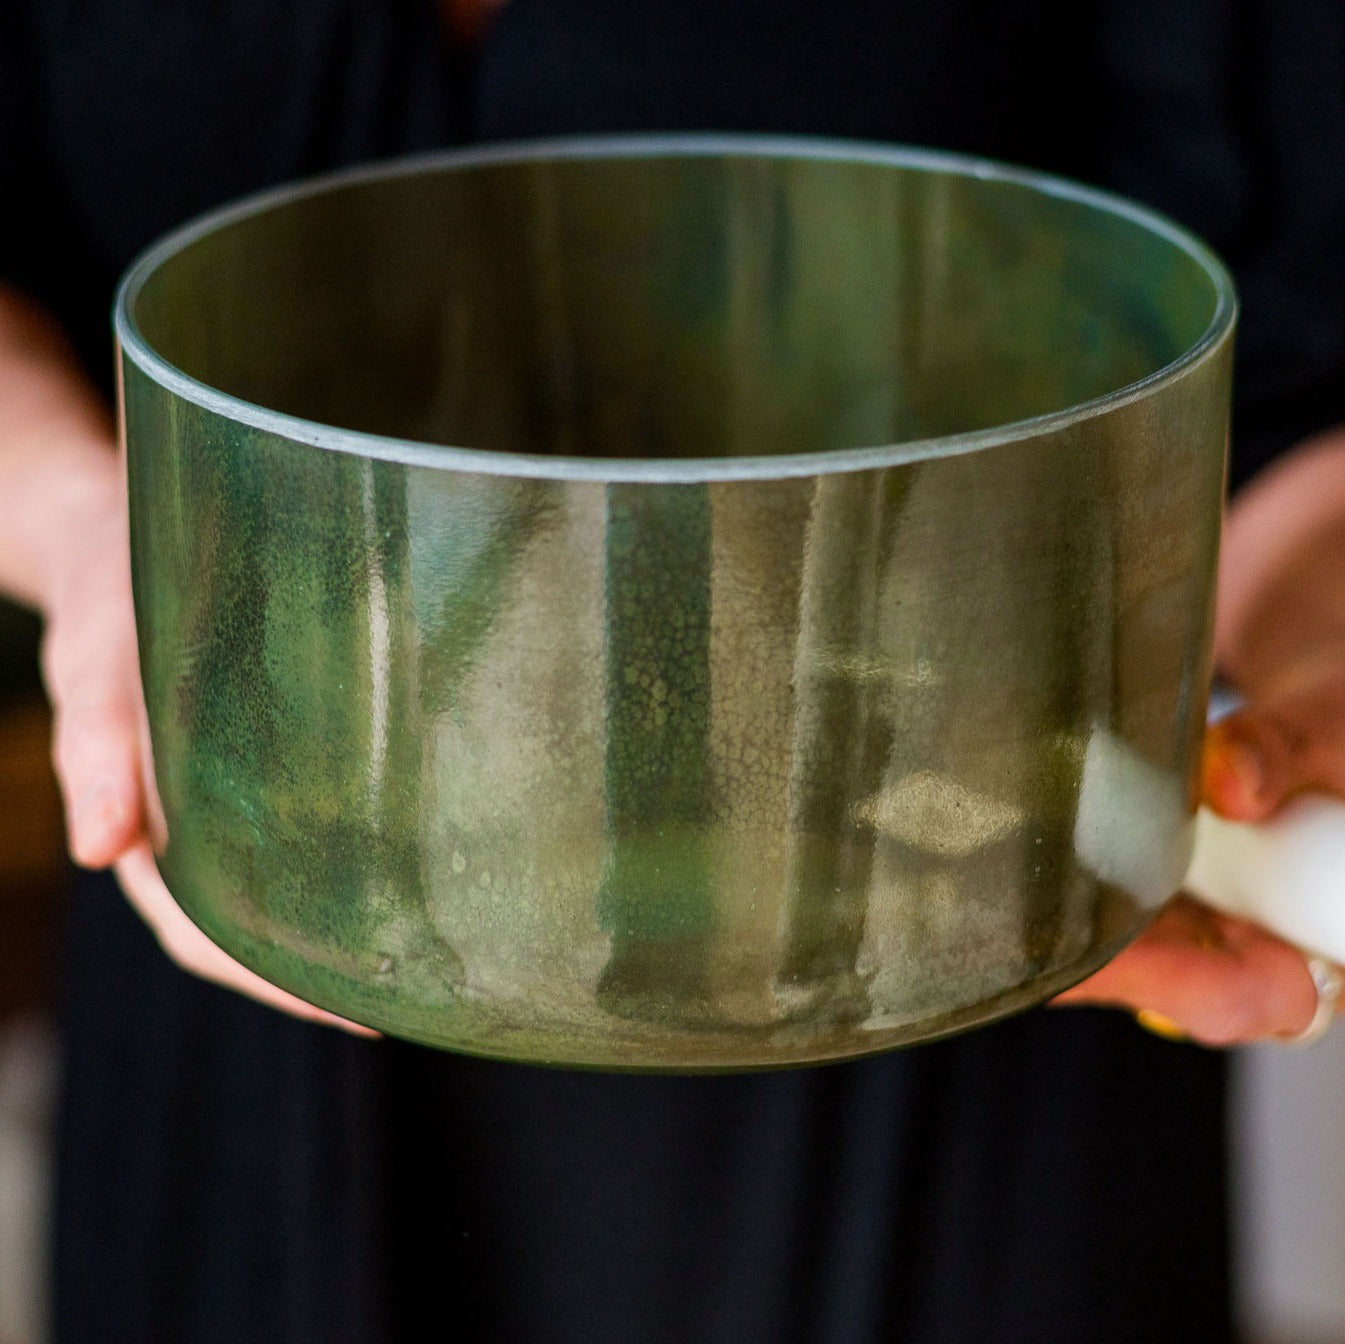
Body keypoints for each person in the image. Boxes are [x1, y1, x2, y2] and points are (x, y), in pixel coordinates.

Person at [2, 2, 1344, 1340]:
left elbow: (1297, 300)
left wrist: (1295, 619)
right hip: (264, 837)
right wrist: (82, 530)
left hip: (970, 900)